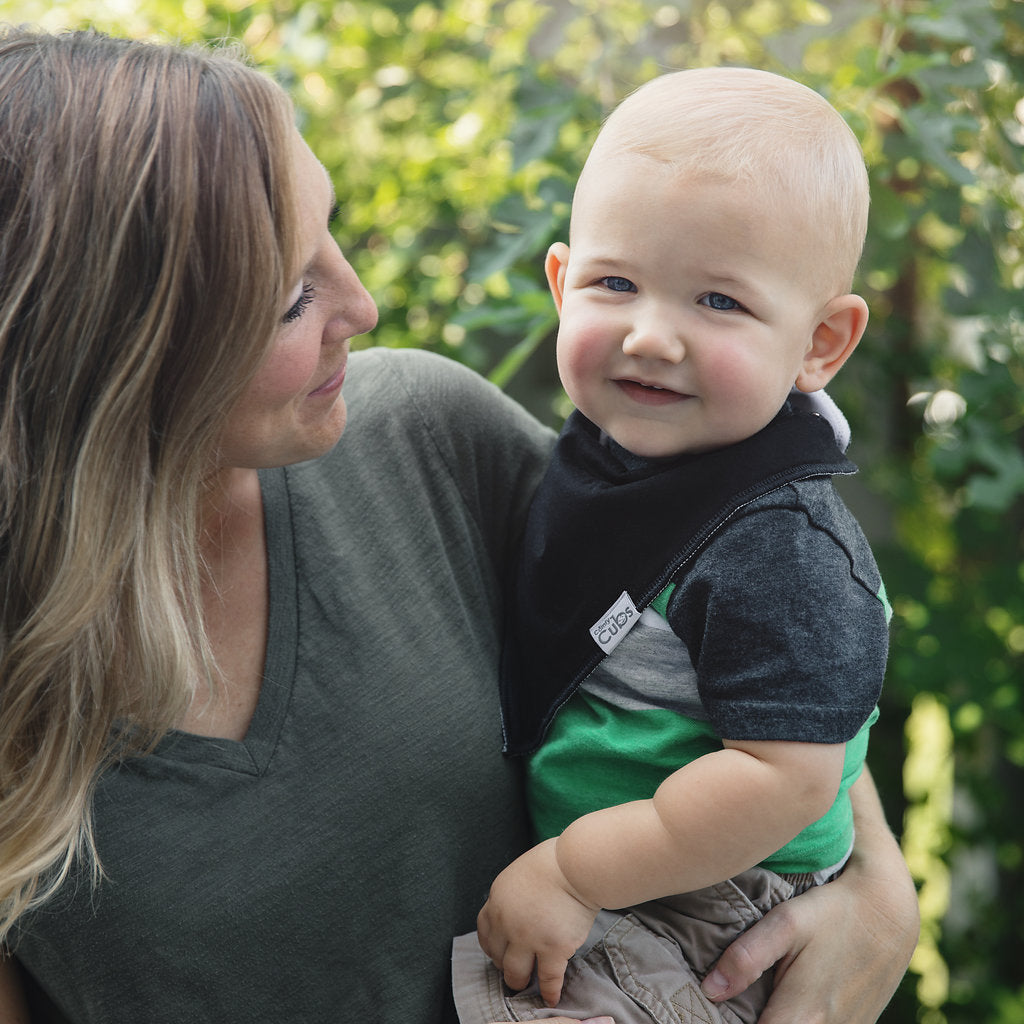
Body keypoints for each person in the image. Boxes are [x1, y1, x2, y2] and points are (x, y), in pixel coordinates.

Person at [0, 29, 916, 1024]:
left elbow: (741, 645)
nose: (364, 302)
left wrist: (876, 889)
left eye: (334, 236)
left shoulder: (427, 439)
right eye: (292, 298)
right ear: (112, 356)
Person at [453, 68, 900, 1024]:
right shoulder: (611, 455)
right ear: (562, 283)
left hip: (711, 901)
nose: (652, 337)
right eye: (617, 284)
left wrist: (574, 872)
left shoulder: (778, 544)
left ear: (821, 342)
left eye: (718, 303)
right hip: (633, 876)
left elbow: (783, 778)